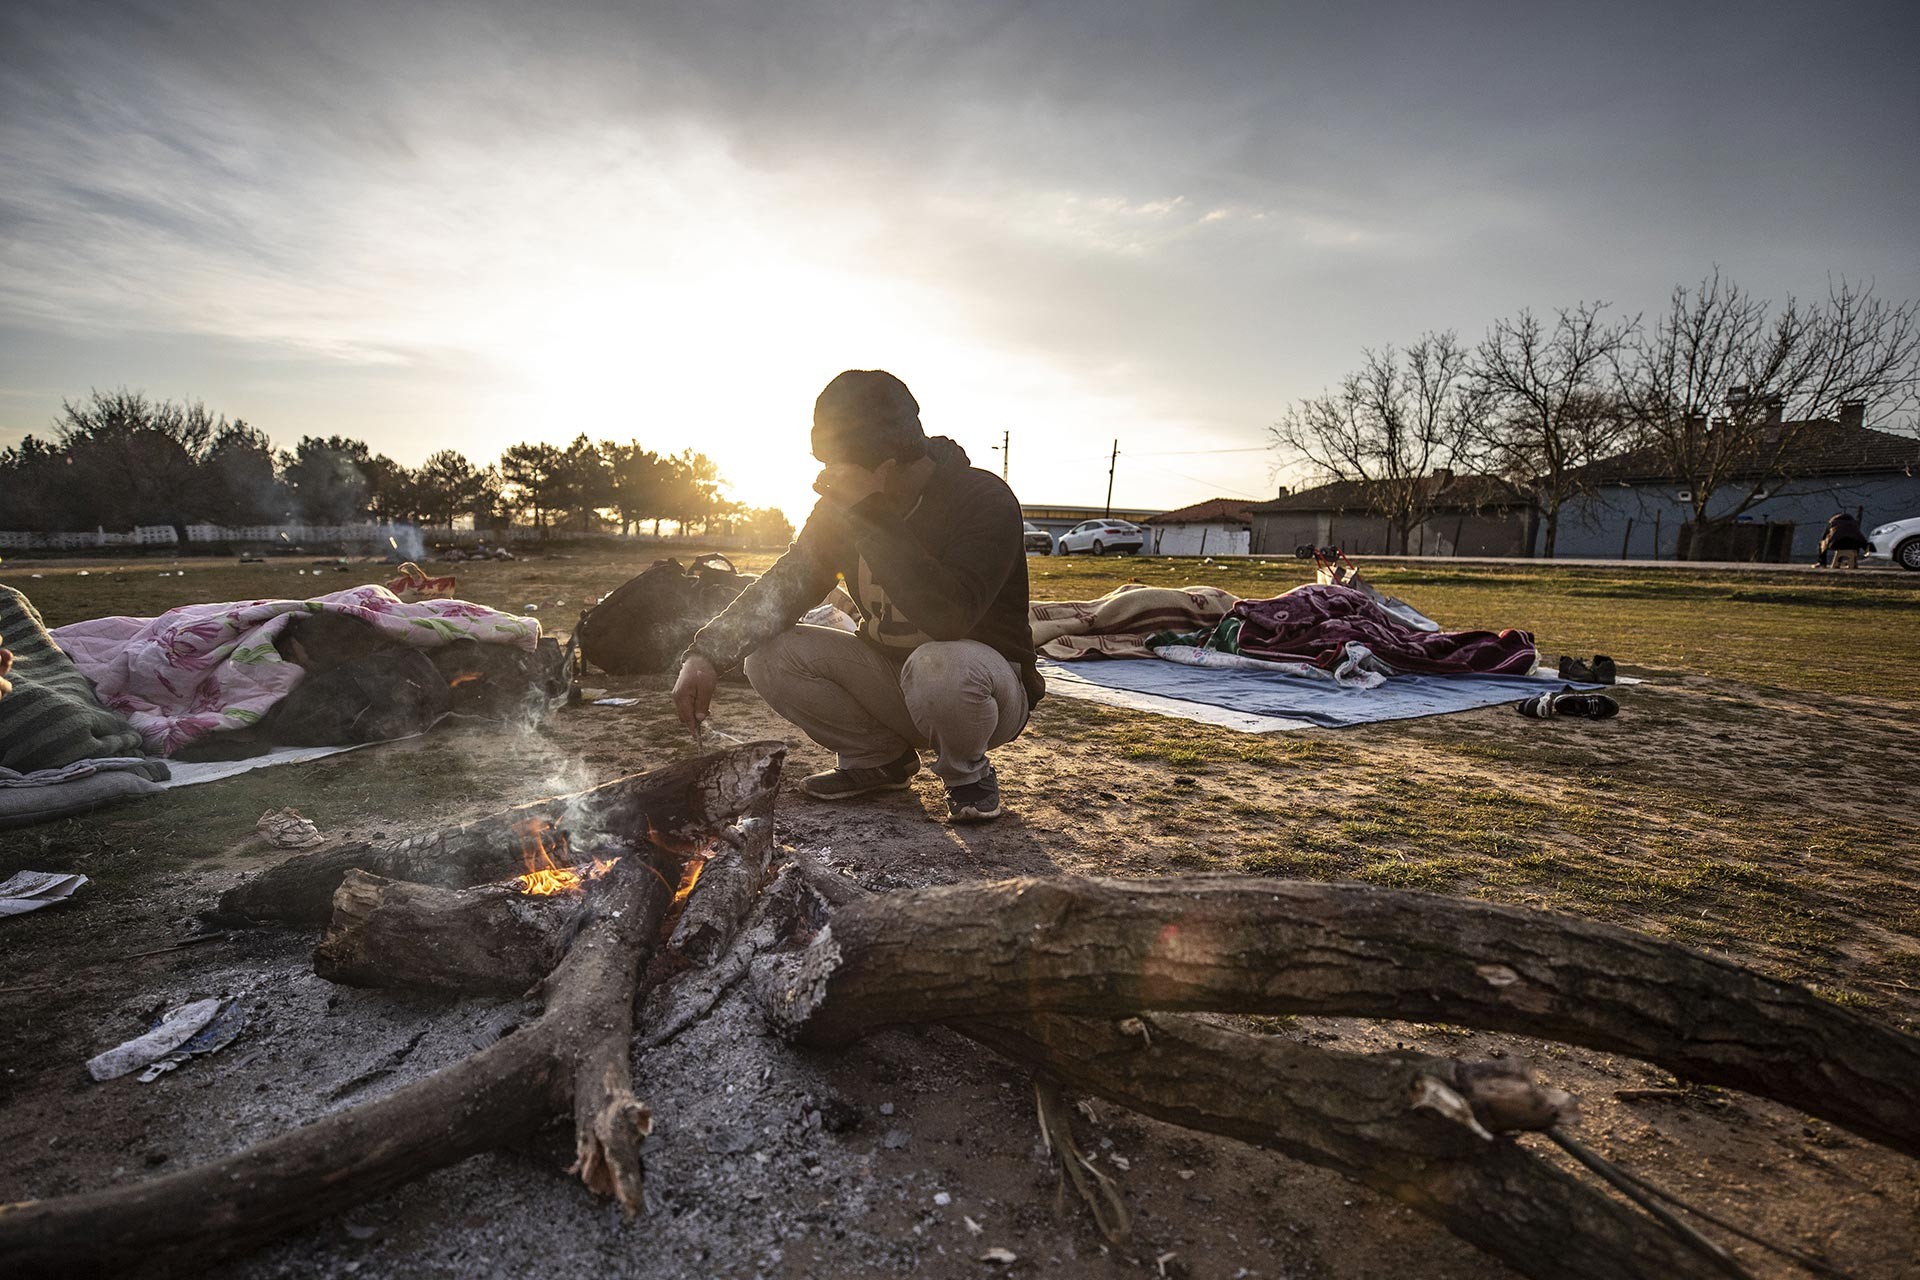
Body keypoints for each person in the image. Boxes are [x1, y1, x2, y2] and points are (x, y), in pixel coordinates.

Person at [670, 370, 1041, 822]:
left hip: (985, 690)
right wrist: (706, 653)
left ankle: (967, 775)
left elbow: (949, 618)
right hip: (891, 677)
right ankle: (878, 759)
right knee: (768, 653)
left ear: (885, 465)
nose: (826, 478)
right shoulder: (842, 510)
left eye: (838, 465)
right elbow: (785, 588)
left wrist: (872, 514)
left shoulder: (982, 498)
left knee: (939, 662)